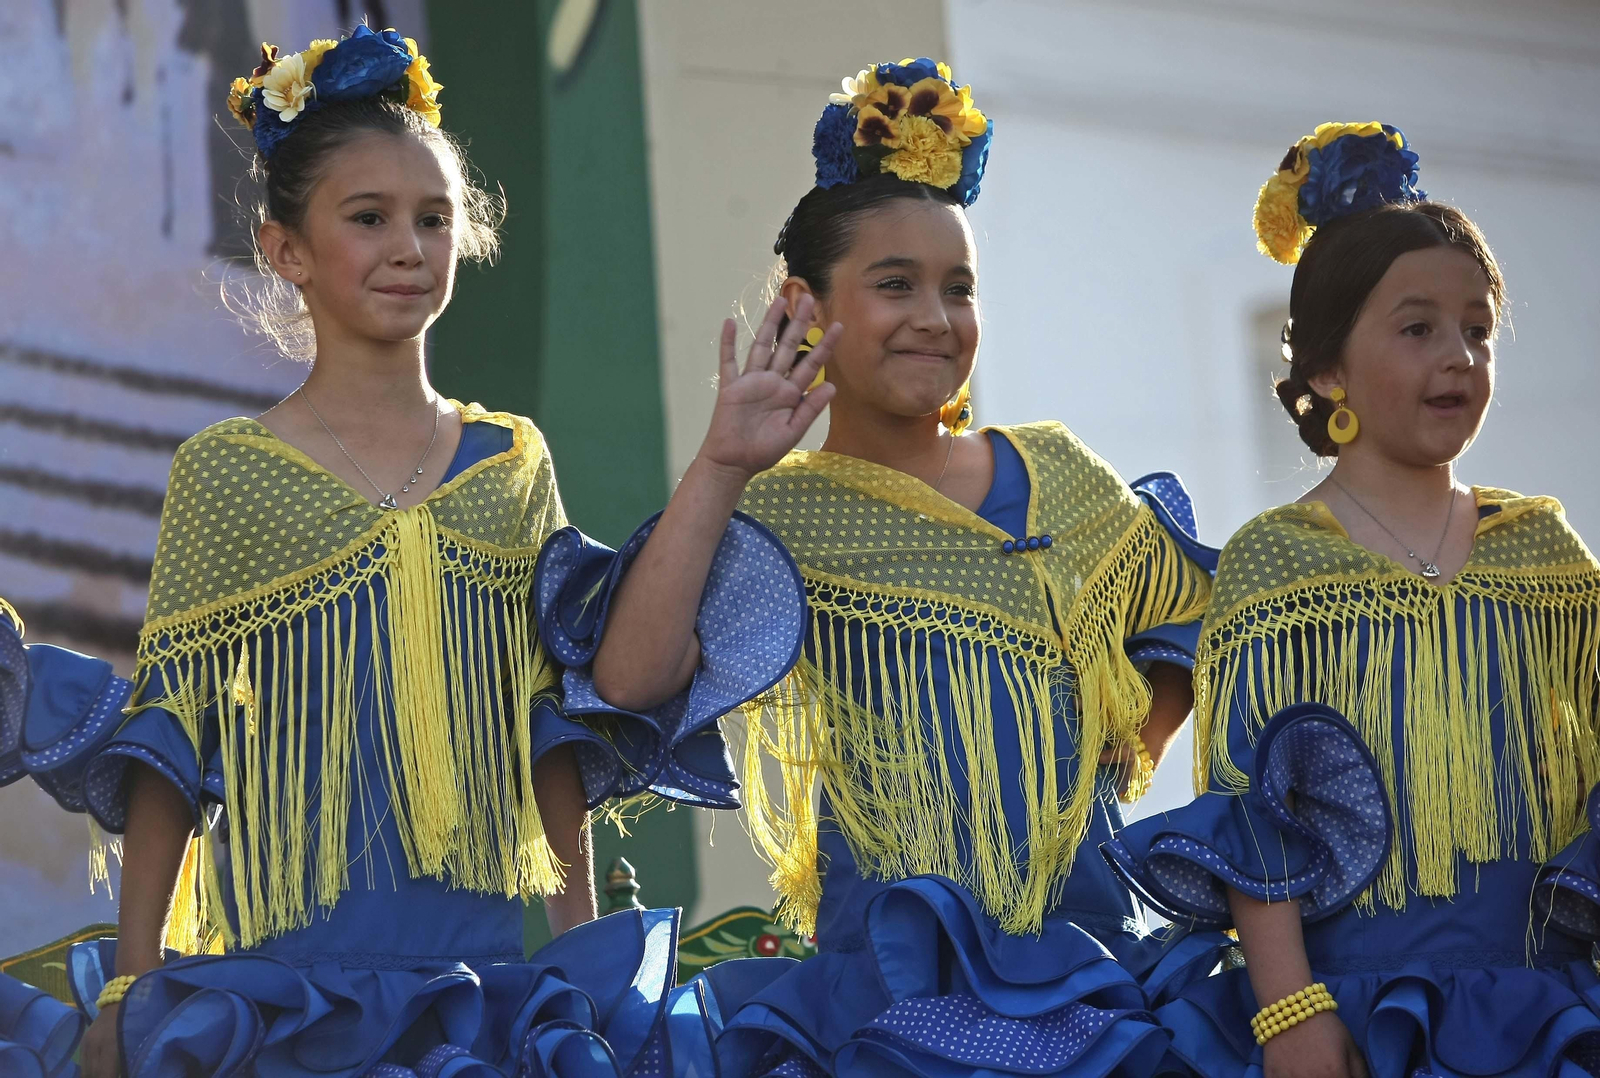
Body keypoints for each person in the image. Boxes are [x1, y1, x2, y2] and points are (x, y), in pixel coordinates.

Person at [0, 27, 822, 1078]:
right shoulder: (226, 472)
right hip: (286, 997)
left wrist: (575, 968)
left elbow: (553, 732)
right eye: (369, 218)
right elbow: (172, 742)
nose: (409, 246)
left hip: (470, 1000)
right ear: (284, 249)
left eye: (434, 218)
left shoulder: (510, 461)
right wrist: (132, 977)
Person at [577, 59, 1229, 1078]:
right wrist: (720, 464)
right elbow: (629, 679)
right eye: (896, 285)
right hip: (885, 993)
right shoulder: (774, 509)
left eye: (958, 289)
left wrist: (1108, 755)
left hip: (1085, 977)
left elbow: (1196, 616)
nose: (935, 316)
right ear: (805, 306)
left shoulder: (1053, 473)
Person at [1103, 123, 1600, 1078]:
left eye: (1478, 329)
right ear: (1328, 371)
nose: (1458, 355)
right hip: (1350, 1013)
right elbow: (1251, 810)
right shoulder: (1277, 563)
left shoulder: (1545, 551)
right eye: (1418, 329)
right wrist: (1289, 1011)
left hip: (1541, 1008)